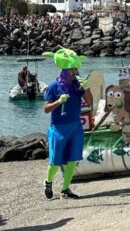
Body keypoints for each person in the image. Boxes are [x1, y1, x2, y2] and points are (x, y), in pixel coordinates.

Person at [42, 48, 92, 199]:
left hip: (76, 126)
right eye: (73, 69)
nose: (76, 72)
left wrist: (87, 87)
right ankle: (48, 182)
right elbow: (45, 109)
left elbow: (90, 103)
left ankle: (66, 189)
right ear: (66, 69)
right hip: (58, 127)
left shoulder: (77, 85)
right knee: (55, 161)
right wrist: (58, 101)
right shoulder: (53, 86)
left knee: (73, 159)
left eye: (76, 69)